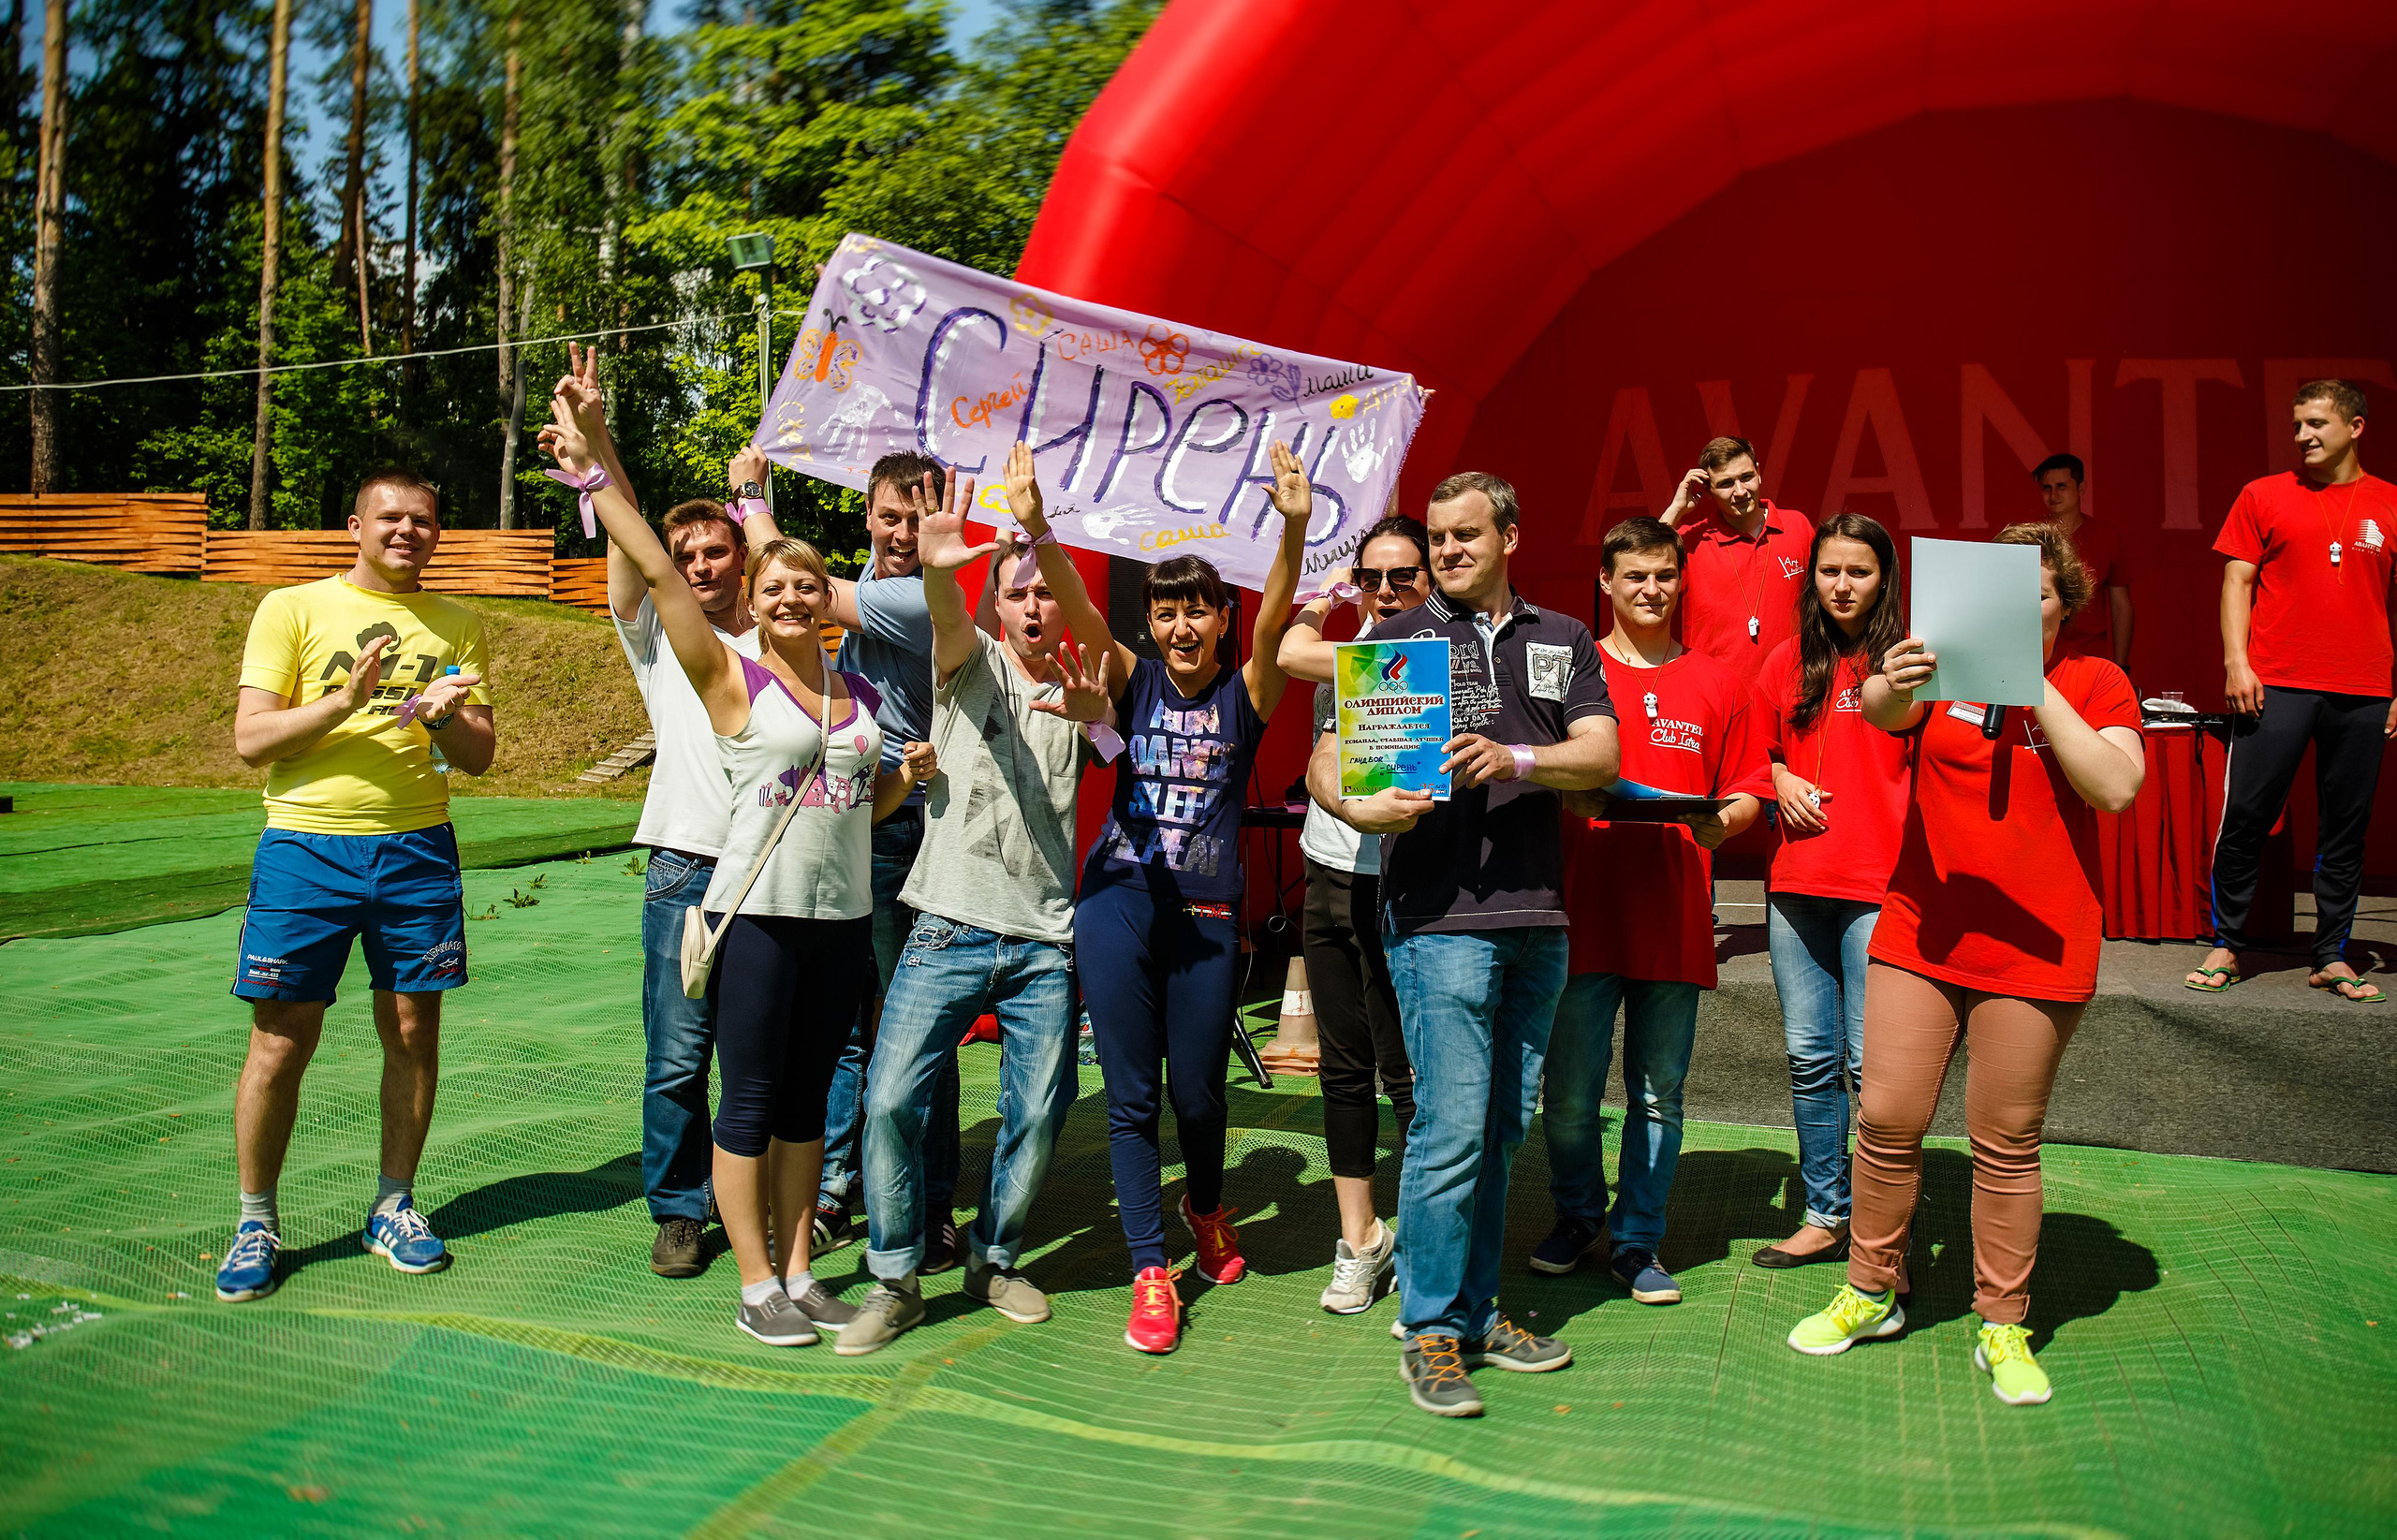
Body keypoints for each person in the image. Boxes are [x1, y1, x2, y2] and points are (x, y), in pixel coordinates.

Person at [543, 354, 935, 1347]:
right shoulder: (731, 680)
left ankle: (800, 1271)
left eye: (809, 585)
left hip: (840, 921)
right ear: (756, 603)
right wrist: (598, 471)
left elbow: (866, 804)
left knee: (807, 1106)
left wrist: (909, 779)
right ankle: (753, 1281)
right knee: (748, 1099)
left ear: (824, 599)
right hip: (755, 916)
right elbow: (665, 574)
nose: (796, 598)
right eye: (778, 587)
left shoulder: (861, 699)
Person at [1787, 521, 2144, 1408]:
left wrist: (2032, 689)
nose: (2022, 610)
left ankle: (2002, 1320)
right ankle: (1872, 1292)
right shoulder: (1940, 674)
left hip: (2038, 945)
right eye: (2006, 595)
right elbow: (1880, 709)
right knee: (1887, 1117)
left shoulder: (2096, 681)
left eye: (2040, 597)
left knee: (2007, 1144)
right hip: (1920, 931)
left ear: (2067, 607)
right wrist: (1894, 678)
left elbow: (2116, 785)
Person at [1315, 471, 1620, 1418]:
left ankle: (1479, 1311)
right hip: (1438, 920)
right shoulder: (1394, 641)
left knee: (1498, 1131)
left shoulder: (1562, 637)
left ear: (1510, 538)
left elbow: (1602, 756)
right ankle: (1431, 1332)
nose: (1445, 550)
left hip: (1536, 920)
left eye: (1464, 535)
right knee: (1449, 1130)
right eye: (1437, 537)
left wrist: (1515, 758)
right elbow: (1326, 760)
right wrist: (1357, 803)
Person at [839, 445, 1113, 1356]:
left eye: (1045, 591)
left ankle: (994, 1258)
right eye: (1017, 591)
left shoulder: (1092, 682)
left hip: (1043, 942)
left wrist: (1034, 528)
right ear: (997, 604)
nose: (1033, 606)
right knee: (888, 1103)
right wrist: (943, 566)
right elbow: (948, 622)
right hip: (947, 925)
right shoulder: (970, 662)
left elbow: (1100, 648)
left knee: (1039, 1109)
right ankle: (893, 1278)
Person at [214, 468, 495, 1303]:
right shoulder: (291, 608)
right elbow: (251, 738)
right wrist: (345, 699)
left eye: (424, 520)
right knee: (280, 1037)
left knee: (412, 1030)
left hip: (417, 849)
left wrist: (442, 714)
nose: (407, 530)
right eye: (391, 517)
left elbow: (476, 756)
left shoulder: (456, 623)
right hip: (307, 847)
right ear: (355, 525)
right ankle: (256, 1219)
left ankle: (393, 1205)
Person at [1076, 439, 1313, 1356]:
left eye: (1198, 611)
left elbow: (1276, 619)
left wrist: (1290, 524)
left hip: (1208, 918)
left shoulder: (1244, 693)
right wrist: (1035, 530)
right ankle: (1149, 1266)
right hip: (1118, 903)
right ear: (1150, 619)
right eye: (1166, 610)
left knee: (1202, 1096)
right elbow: (1077, 615)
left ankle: (1206, 1205)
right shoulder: (1131, 682)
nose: (1181, 625)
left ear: (1222, 619)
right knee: (1132, 1097)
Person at [1533, 517, 1768, 1306]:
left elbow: (1747, 791)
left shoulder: (1719, 681)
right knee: (1567, 1095)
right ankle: (1576, 1215)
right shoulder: (1571, 670)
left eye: (1664, 575)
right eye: (1634, 576)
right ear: (1605, 582)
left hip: (1672, 914)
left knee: (1659, 1094)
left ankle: (1637, 1241)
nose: (1651, 589)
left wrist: (1722, 821)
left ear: (1680, 581)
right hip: (1579, 912)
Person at [788, 447, 964, 1264]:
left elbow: (791, 583)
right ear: (865, 514)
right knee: (834, 1017)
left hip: (912, 823)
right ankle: (834, 1184)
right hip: (844, 816)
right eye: (890, 516)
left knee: (913, 1018)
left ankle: (929, 1206)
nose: (904, 533)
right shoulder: (865, 580)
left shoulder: (923, 596)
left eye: (920, 518)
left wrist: (753, 494)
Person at [604, 451, 776, 1279]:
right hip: (685, 869)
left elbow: (790, 567)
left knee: (761, 1050)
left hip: (772, 867)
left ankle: (764, 1198)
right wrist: (596, 448)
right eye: (686, 556)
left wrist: (757, 500)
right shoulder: (659, 636)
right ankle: (679, 1210)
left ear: (740, 555)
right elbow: (624, 535)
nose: (701, 567)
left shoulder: (780, 632)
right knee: (677, 1056)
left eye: (716, 552)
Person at [2187, 379, 2396, 1004]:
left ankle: (2331, 954)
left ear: (2356, 426)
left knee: (2345, 828)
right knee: (2249, 818)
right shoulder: (2263, 494)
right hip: (2274, 682)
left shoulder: (2388, 501)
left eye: (2316, 423)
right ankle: (2228, 943)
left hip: (2362, 689)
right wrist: (2235, 661)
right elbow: (2236, 580)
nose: (2302, 435)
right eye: (2297, 423)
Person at [1275, 513, 1433, 1314]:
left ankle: (1433, 1237)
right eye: (1370, 577)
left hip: (1411, 882)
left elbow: (1299, 652)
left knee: (1412, 1071)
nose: (1384, 590)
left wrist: (1324, 604)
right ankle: (1361, 1239)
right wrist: (1324, 595)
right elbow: (1284, 654)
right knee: (1343, 1065)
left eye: (1402, 575)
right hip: (1332, 869)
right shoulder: (1354, 648)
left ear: (1431, 577)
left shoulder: (1439, 654)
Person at [1748, 512, 1911, 1270]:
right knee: (1810, 1060)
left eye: (1859, 571)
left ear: (1885, 580)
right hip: (1797, 889)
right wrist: (1779, 776)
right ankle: (1824, 1213)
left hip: (1881, 890)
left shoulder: (1909, 664)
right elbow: (1757, 757)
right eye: (1828, 570)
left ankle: (1884, 1228)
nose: (1841, 585)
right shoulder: (1785, 661)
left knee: (1870, 1067)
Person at [1658, 435, 1816, 675]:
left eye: (1747, 478)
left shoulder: (1797, 526)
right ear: (1708, 491)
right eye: (1726, 484)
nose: (1740, 491)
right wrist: (1675, 509)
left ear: (1759, 472)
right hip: (1715, 690)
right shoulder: (1690, 540)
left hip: (1791, 686)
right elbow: (1644, 562)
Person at [2033, 453, 2134, 670]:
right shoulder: (2031, 539)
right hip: (2037, 657)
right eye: (2046, 487)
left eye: (2061, 486)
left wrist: (2122, 664)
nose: (2053, 495)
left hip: (2089, 655)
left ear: (2081, 488)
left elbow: (2120, 606)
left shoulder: (2107, 537)